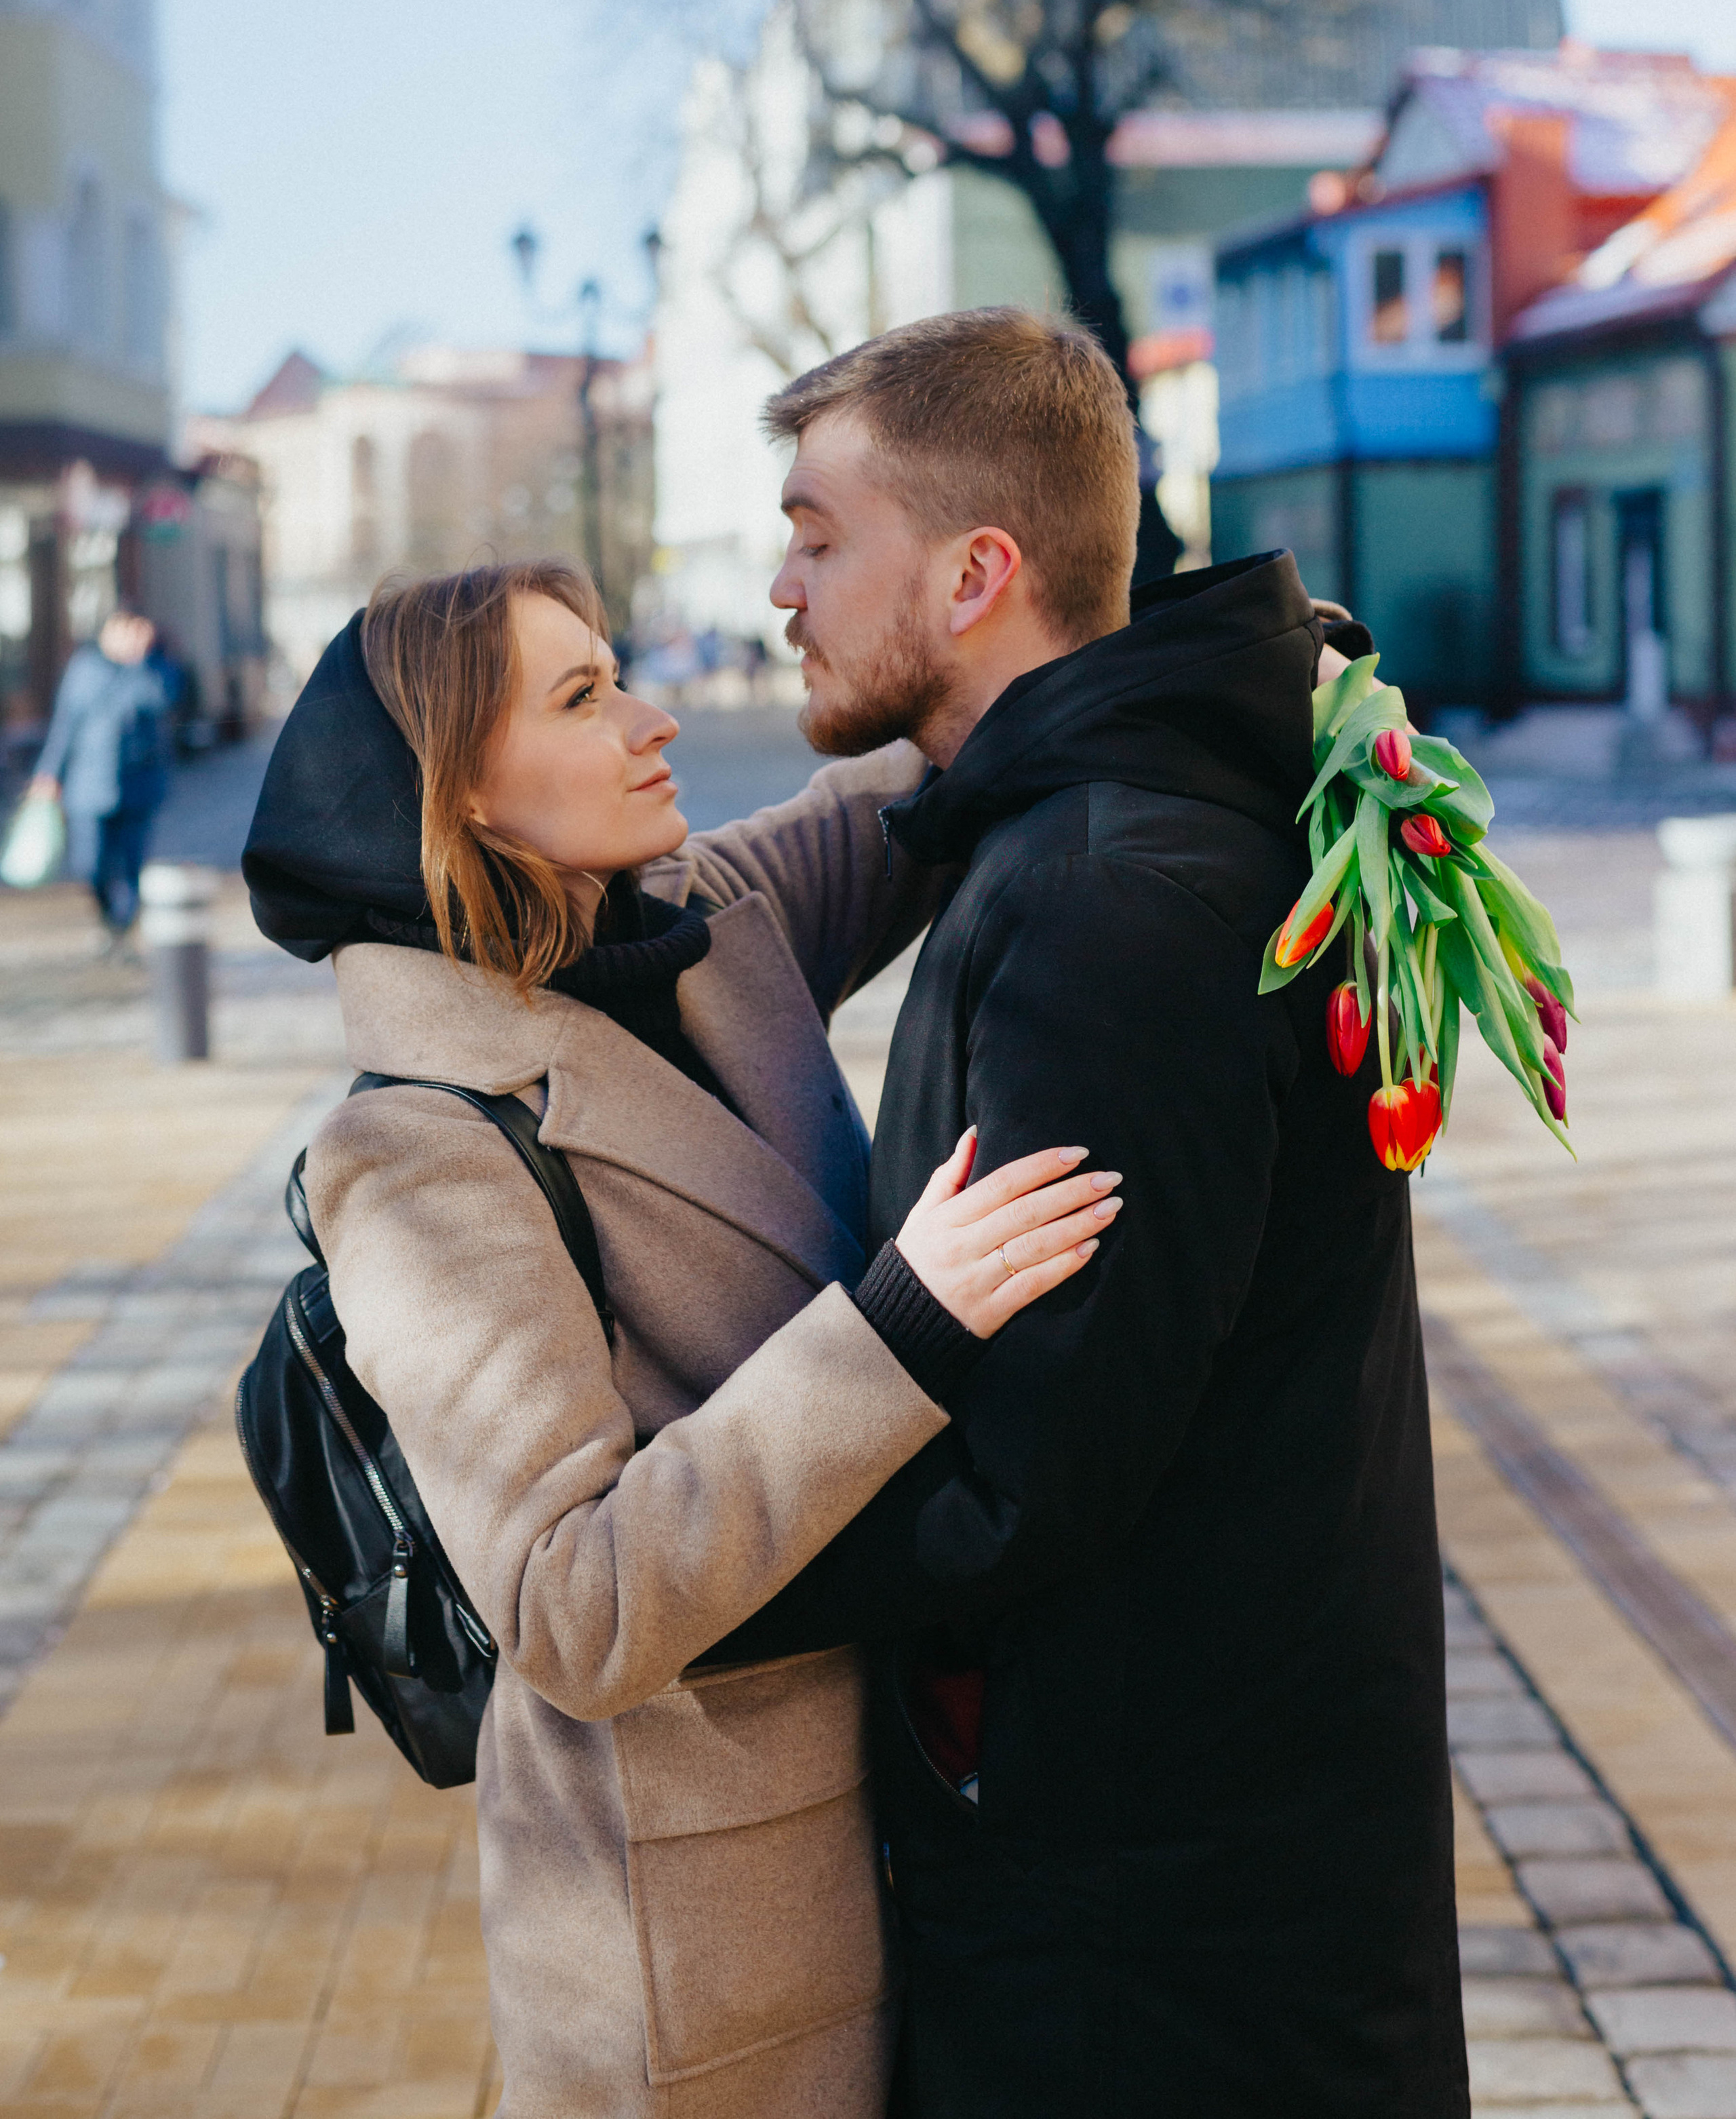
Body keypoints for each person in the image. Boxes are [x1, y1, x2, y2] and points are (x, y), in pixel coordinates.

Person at [694, 307, 1469, 2117]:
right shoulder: (1121, 828)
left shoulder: (1110, 905)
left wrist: (646, 1574)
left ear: (976, 574)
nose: (783, 585)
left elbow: (1021, 1474)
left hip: (1144, 1954)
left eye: (820, 534)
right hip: (1199, 1875)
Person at [239, 558, 1116, 2119]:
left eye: (616, 671)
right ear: (466, 801)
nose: (651, 721)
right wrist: (899, 1325)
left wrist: (1188, 644)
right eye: (581, 698)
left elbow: (936, 743)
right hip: (699, 1948)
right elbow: (568, 1608)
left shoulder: (699, 918)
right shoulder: (418, 1148)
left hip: (913, 1829)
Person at [28, 608, 171, 944]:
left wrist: (139, 663)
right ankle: (109, 916)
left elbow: (160, 700)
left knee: (132, 864)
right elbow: (65, 725)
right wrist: (48, 773)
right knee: (90, 864)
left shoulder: (154, 669)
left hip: (138, 788)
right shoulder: (84, 669)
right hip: (89, 788)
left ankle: (122, 928)